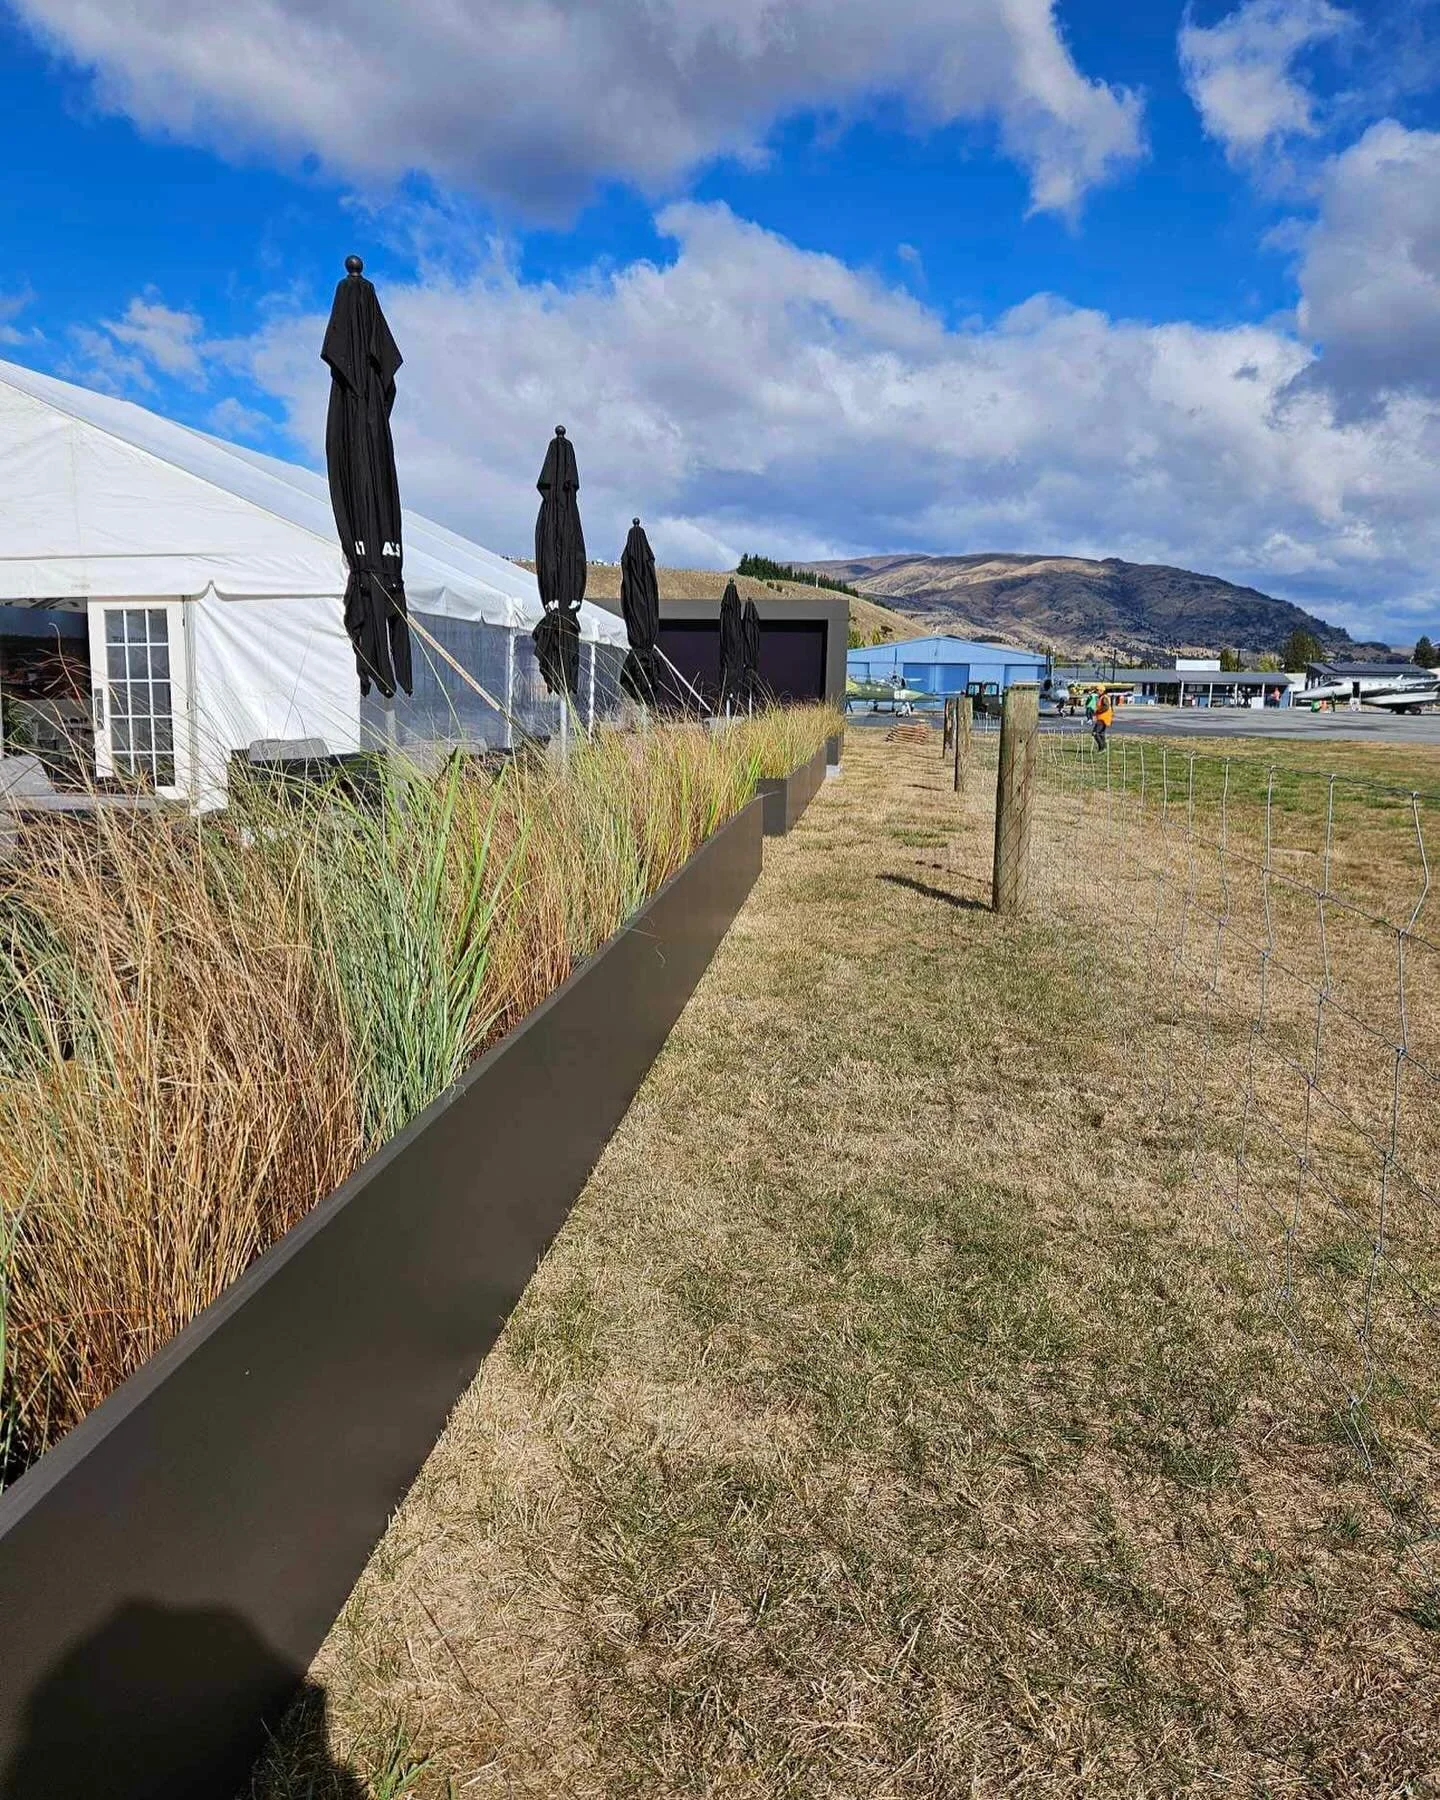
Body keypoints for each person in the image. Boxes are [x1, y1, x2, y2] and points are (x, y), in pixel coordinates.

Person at [1092, 686, 1113, 751]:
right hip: (1102, 718)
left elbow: (1106, 707)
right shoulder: (1102, 697)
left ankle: (1101, 748)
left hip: (1103, 718)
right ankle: (1103, 748)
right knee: (1101, 733)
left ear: (1101, 690)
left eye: (1097, 690)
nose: (1096, 692)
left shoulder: (1104, 698)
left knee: (1095, 733)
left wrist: (1098, 711)